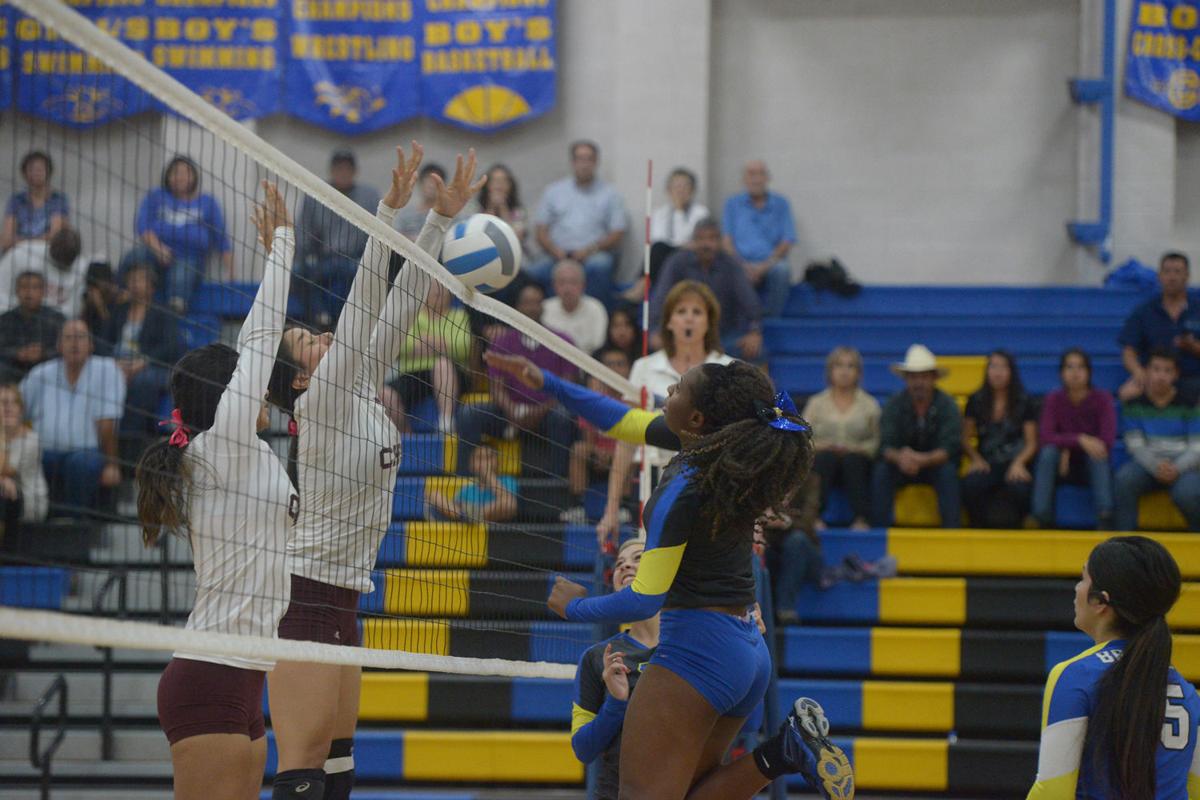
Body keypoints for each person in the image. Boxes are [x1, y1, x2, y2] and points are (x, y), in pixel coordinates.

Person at [488, 352, 853, 800]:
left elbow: (644, 599)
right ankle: (783, 751)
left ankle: (787, 749)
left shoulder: (681, 488)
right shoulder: (713, 449)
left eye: (677, 388)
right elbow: (623, 421)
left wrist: (573, 606)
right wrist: (548, 381)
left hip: (697, 655)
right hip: (746, 652)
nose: (667, 392)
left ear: (696, 417)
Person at [266, 144, 479, 800]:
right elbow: (363, 304)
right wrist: (388, 209)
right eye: (310, 341)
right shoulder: (320, 402)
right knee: (302, 774)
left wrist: (438, 225)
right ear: (300, 378)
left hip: (344, 601)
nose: (324, 336)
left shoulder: (355, 390)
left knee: (338, 771)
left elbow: (400, 305)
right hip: (305, 597)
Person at [134, 182, 297, 800]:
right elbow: (258, 343)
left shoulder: (251, 454)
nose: (258, 391)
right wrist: (281, 248)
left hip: (246, 673)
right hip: (209, 675)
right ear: (228, 398)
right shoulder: (219, 446)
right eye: (245, 387)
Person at [1026, 536, 1199, 799]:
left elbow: (1052, 791)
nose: (1076, 589)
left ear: (1101, 602)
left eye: (1083, 579)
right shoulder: (1188, 693)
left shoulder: (1075, 676)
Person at [597, 281, 732, 546]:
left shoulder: (727, 369)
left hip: (711, 485)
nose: (689, 318)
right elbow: (627, 438)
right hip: (657, 482)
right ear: (669, 322)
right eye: (681, 311)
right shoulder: (644, 368)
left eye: (697, 311)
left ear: (709, 322)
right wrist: (610, 510)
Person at [457, 282, 578, 479]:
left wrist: (536, 412)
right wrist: (513, 411)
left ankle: (557, 486)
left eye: (536, 302)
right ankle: (464, 480)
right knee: (469, 413)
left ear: (543, 306)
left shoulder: (562, 341)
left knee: (563, 416)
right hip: (509, 413)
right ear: (517, 307)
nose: (531, 307)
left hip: (547, 414)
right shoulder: (502, 341)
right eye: (526, 303)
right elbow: (496, 388)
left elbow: (565, 389)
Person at [570, 538, 661, 800]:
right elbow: (584, 750)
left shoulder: (693, 645)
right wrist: (616, 702)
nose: (625, 567)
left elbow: (749, 724)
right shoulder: (598, 657)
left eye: (638, 558)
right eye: (619, 564)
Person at [21, 320, 123, 517]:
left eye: (81, 337)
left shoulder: (107, 370)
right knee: (28, 457)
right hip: (44, 451)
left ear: (92, 345)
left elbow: (108, 423)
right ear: (59, 345)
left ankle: (74, 523)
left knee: (81, 464)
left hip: (86, 452)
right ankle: (33, 520)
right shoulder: (40, 373)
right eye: (68, 338)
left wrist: (112, 464)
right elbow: (17, 408)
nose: (74, 343)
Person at [124, 155, 233, 313]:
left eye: (185, 172)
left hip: (190, 257)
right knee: (134, 256)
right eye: (175, 172)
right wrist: (158, 249)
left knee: (181, 275)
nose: (180, 177)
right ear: (167, 176)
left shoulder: (207, 202)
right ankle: (122, 298)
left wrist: (231, 275)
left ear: (194, 176)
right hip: (155, 253)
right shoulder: (156, 196)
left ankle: (174, 311)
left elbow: (222, 240)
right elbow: (143, 226)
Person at [870, 344, 962, 528]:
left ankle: (952, 531)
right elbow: (885, 445)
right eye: (913, 377)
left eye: (924, 377)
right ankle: (878, 530)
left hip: (934, 465)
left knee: (948, 472)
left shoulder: (947, 405)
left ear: (933, 378)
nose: (918, 383)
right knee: (882, 471)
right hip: (901, 465)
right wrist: (901, 458)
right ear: (906, 379)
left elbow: (949, 448)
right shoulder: (895, 403)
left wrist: (921, 459)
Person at [531, 141, 628, 305]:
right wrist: (556, 251)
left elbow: (617, 232)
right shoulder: (554, 191)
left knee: (600, 266)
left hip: (592, 254)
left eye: (589, 159)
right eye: (580, 159)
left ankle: (597, 319)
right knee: (533, 272)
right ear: (572, 162)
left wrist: (589, 250)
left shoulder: (610, 194)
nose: (584, 164)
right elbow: (541, 230)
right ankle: (544, 324)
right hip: (556, 254)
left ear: (596, 162)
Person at [1113, 349, 1200, 532]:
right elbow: (1135, 445)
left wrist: (1176, 468)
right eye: (1156, 369)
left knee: (1187, 493)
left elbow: (1196, 446)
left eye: (1167, 370)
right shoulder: (1134, 403)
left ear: (1175, 374)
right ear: (1146, 371)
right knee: (1124, 480)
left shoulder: (1191, 402)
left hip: (1184, 467)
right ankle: (1124, 544)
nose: (1161, 376)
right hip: (1148, 466)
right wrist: (1157, 466)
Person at [651, 219, 763, 360]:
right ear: (693, 241)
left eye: (712, 238)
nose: (706, 244)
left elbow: (750, 302)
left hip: (723, 334)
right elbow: (661, 297)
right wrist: (655, 330)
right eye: (701, 239)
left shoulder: (731, 265)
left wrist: (755, 331)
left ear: (720, 242)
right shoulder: (677, 262)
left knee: (757, 350)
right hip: (683, 333)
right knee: (656, 345)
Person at [294, 150, 382, 328]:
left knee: (364, 274)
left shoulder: (369, 196)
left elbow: (378, 236)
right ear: (331, 171)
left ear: (354, 172)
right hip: (322, 260)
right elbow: (303, 235)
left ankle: (349, 324)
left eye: (347, 169)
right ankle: (319, 319)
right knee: (297, 271)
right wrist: (304, 258)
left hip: (356, 261)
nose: (343, 173)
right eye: (339, 168)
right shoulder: (315, 195)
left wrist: (368, 260)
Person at [1032, 349, 1117, 530]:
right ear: (1061, 373)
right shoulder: (1053, 398)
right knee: (1048, 453)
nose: (1075, 372)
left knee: (1097, 452)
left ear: (1089, 372)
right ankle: (1041, 516)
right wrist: (1079, 440)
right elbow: (1046, 436)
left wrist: (1072, 445)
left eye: (1080, 367)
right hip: (1061, 465)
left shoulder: (1103, 399)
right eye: (1069, 367)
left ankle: (1105, 515)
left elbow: (1107, 441)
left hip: (1090, 465)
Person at [99, 263, 182, 437]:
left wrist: (144, 361)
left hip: (151, 366)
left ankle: (131, 436)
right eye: (131, 280)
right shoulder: (119, 311)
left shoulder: (163, 312)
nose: (134, 285)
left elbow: (173, 345)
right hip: (117, 364)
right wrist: (114, 364)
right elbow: (102, 342)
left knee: (143, 381)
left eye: (139, 280)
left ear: (151, 286)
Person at [802, 347, 880, 531]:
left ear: (858, 373)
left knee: (852, 461)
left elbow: (877, 440)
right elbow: (802, 438)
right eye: (839, 365)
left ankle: (861, 518)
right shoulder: (816, 403)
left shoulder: (870, 404)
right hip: (823, 459)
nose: (844, 371)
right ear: (830, 371)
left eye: (850, 366)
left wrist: (858, 449)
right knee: (825, 459)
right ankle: (814, 517)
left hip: (857, 461)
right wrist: (821, 446)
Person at [380, 278, 471, 434]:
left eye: (442, 287)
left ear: (450, 292)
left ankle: (446, 423)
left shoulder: (460, 316)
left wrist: (423, 342)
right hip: (413, 375)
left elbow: (464, 347)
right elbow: (399, 346)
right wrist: (443, 344)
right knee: (384, 394)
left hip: (451, 374)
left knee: (442, 365)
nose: (438, 292)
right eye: (433, 288)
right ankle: (405, 438)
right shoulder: (411, 316)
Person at [960, 351, 1038, 528]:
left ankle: (1020, 527)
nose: (998, 372)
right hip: (987, 462)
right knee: (970, 484)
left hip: (1015, 461)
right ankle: (977, 526)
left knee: (1021, 488)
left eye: (1003, 367)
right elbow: (964, 439)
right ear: (987, 371)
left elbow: (1032, 442)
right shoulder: (976, 400)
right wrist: (976, 459)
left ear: (1011, 371)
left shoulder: (1025, 401)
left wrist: (1019, 462)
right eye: (993, 366)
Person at [1118, 252, 1200, 403]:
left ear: (1187, 276)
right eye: (1167, 271)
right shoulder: (1144, 311)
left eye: (1177, 272)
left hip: (1193, 378)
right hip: (1153, 379)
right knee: (1126, 393)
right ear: (1159, 276)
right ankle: (1137, 428)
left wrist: (1193, 346)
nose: (1172, 277)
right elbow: (1128, 352)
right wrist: (1139, 373)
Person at [564, 347, 632, 524]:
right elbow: (588, 434)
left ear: (629, 369)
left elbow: (632, 436)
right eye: (610, 364)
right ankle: (578, 506)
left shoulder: (632, 398)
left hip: (621, 451)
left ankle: (623, 507)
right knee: (579, 449)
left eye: (620, 364)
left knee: (633, 455)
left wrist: (612, 453)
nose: (615, 369)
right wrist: (598, 451)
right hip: (596, 450)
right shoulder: (593, 396)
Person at [721, 160, 795, 319]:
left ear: (768, 178)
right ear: (744, 179)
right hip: (740, 261)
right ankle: (742, 320)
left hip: (771, 262)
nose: (756, 179)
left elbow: (787, 240)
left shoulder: (781, 204)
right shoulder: (732, 204)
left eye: (761, 174)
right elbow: (726, 241)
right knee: (727, 270)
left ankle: (772, 318)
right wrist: (743, 265)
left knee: (782, 270)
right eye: (751, 174)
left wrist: (764, 266)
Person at [0, 226, 92, 317]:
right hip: (16, 317)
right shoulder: (22, 253)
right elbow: (2, 293)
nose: (60, 265)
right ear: (50, 245)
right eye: (57, 262)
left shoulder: (82, 268)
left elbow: (72, 310)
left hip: (55, 323)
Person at [0, 384, 49, 540]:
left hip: (28, 501)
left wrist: (4, 436)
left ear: (21, 409)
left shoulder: (32, 439)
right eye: (2, 402)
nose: (7, 408)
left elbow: (7, 470)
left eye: (13, 403)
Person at [0, 272, 65, 384]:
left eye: (34, 287)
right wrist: (18, 353)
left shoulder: (57, 319)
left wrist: (44, 353)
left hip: (47, 371)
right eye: (24, 287)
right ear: (16, 291)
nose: (29, 293)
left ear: (43, 292)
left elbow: (66, 348)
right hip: (11, 372)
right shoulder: (4, 320)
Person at [428, 444, 517, 523]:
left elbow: (509, 504)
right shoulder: (466, 489)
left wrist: (489, 474)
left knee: (508, 503)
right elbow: (454, 507)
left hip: (494, 526)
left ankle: (472, 515)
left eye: (488, 457)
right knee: (434, 495)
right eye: (479, 458)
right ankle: (465, 516)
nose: (484, 462)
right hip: (465, 522)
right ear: (472, 464)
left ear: (497, 462)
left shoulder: (507, 480)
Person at [2, 151, 68, 253]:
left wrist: (21, 241)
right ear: (24, 173)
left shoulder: (58, 200)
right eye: (31, 169)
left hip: (47, 253)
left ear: (49, 172)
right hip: (18, 253)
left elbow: (55, 236)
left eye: (40, 169)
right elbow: (6, 239)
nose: (36, 173)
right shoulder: (16, 200)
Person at [649, 167, 709, 279]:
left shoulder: (701, 213)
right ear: (668, 190)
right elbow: (657, 240)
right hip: (663, 253)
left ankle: (642, 285)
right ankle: (643, 284)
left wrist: (679, 211)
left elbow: (696, 242)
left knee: (663, 252)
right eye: (676, 186)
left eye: (685, 186)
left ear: (692, 190)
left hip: (690, 255)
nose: (680, 190)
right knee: (657, 249)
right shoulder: (660, 213)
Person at [542, 259, 608, 355]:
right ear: (554, 286)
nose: (567, 288)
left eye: (573, 282)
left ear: (583, 285)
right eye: (562, 282)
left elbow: (598, 346)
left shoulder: (596, 308)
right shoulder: (544, 308)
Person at [469, 163, 528, 249]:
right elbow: (476, 237)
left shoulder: (518, 211)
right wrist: (491, 208)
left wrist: (503, 209)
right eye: (495, 180)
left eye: (504, 181)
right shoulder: (474, 208)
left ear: (510, 185)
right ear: (486, 185)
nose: (499, 185)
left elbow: (516, 239)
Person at [393, 162, 446, 239]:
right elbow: (394, 237)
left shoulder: (446, 218)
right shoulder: (406, 214)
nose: (431, 185)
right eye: (428, 180)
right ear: (420, 183)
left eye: (435, 181)